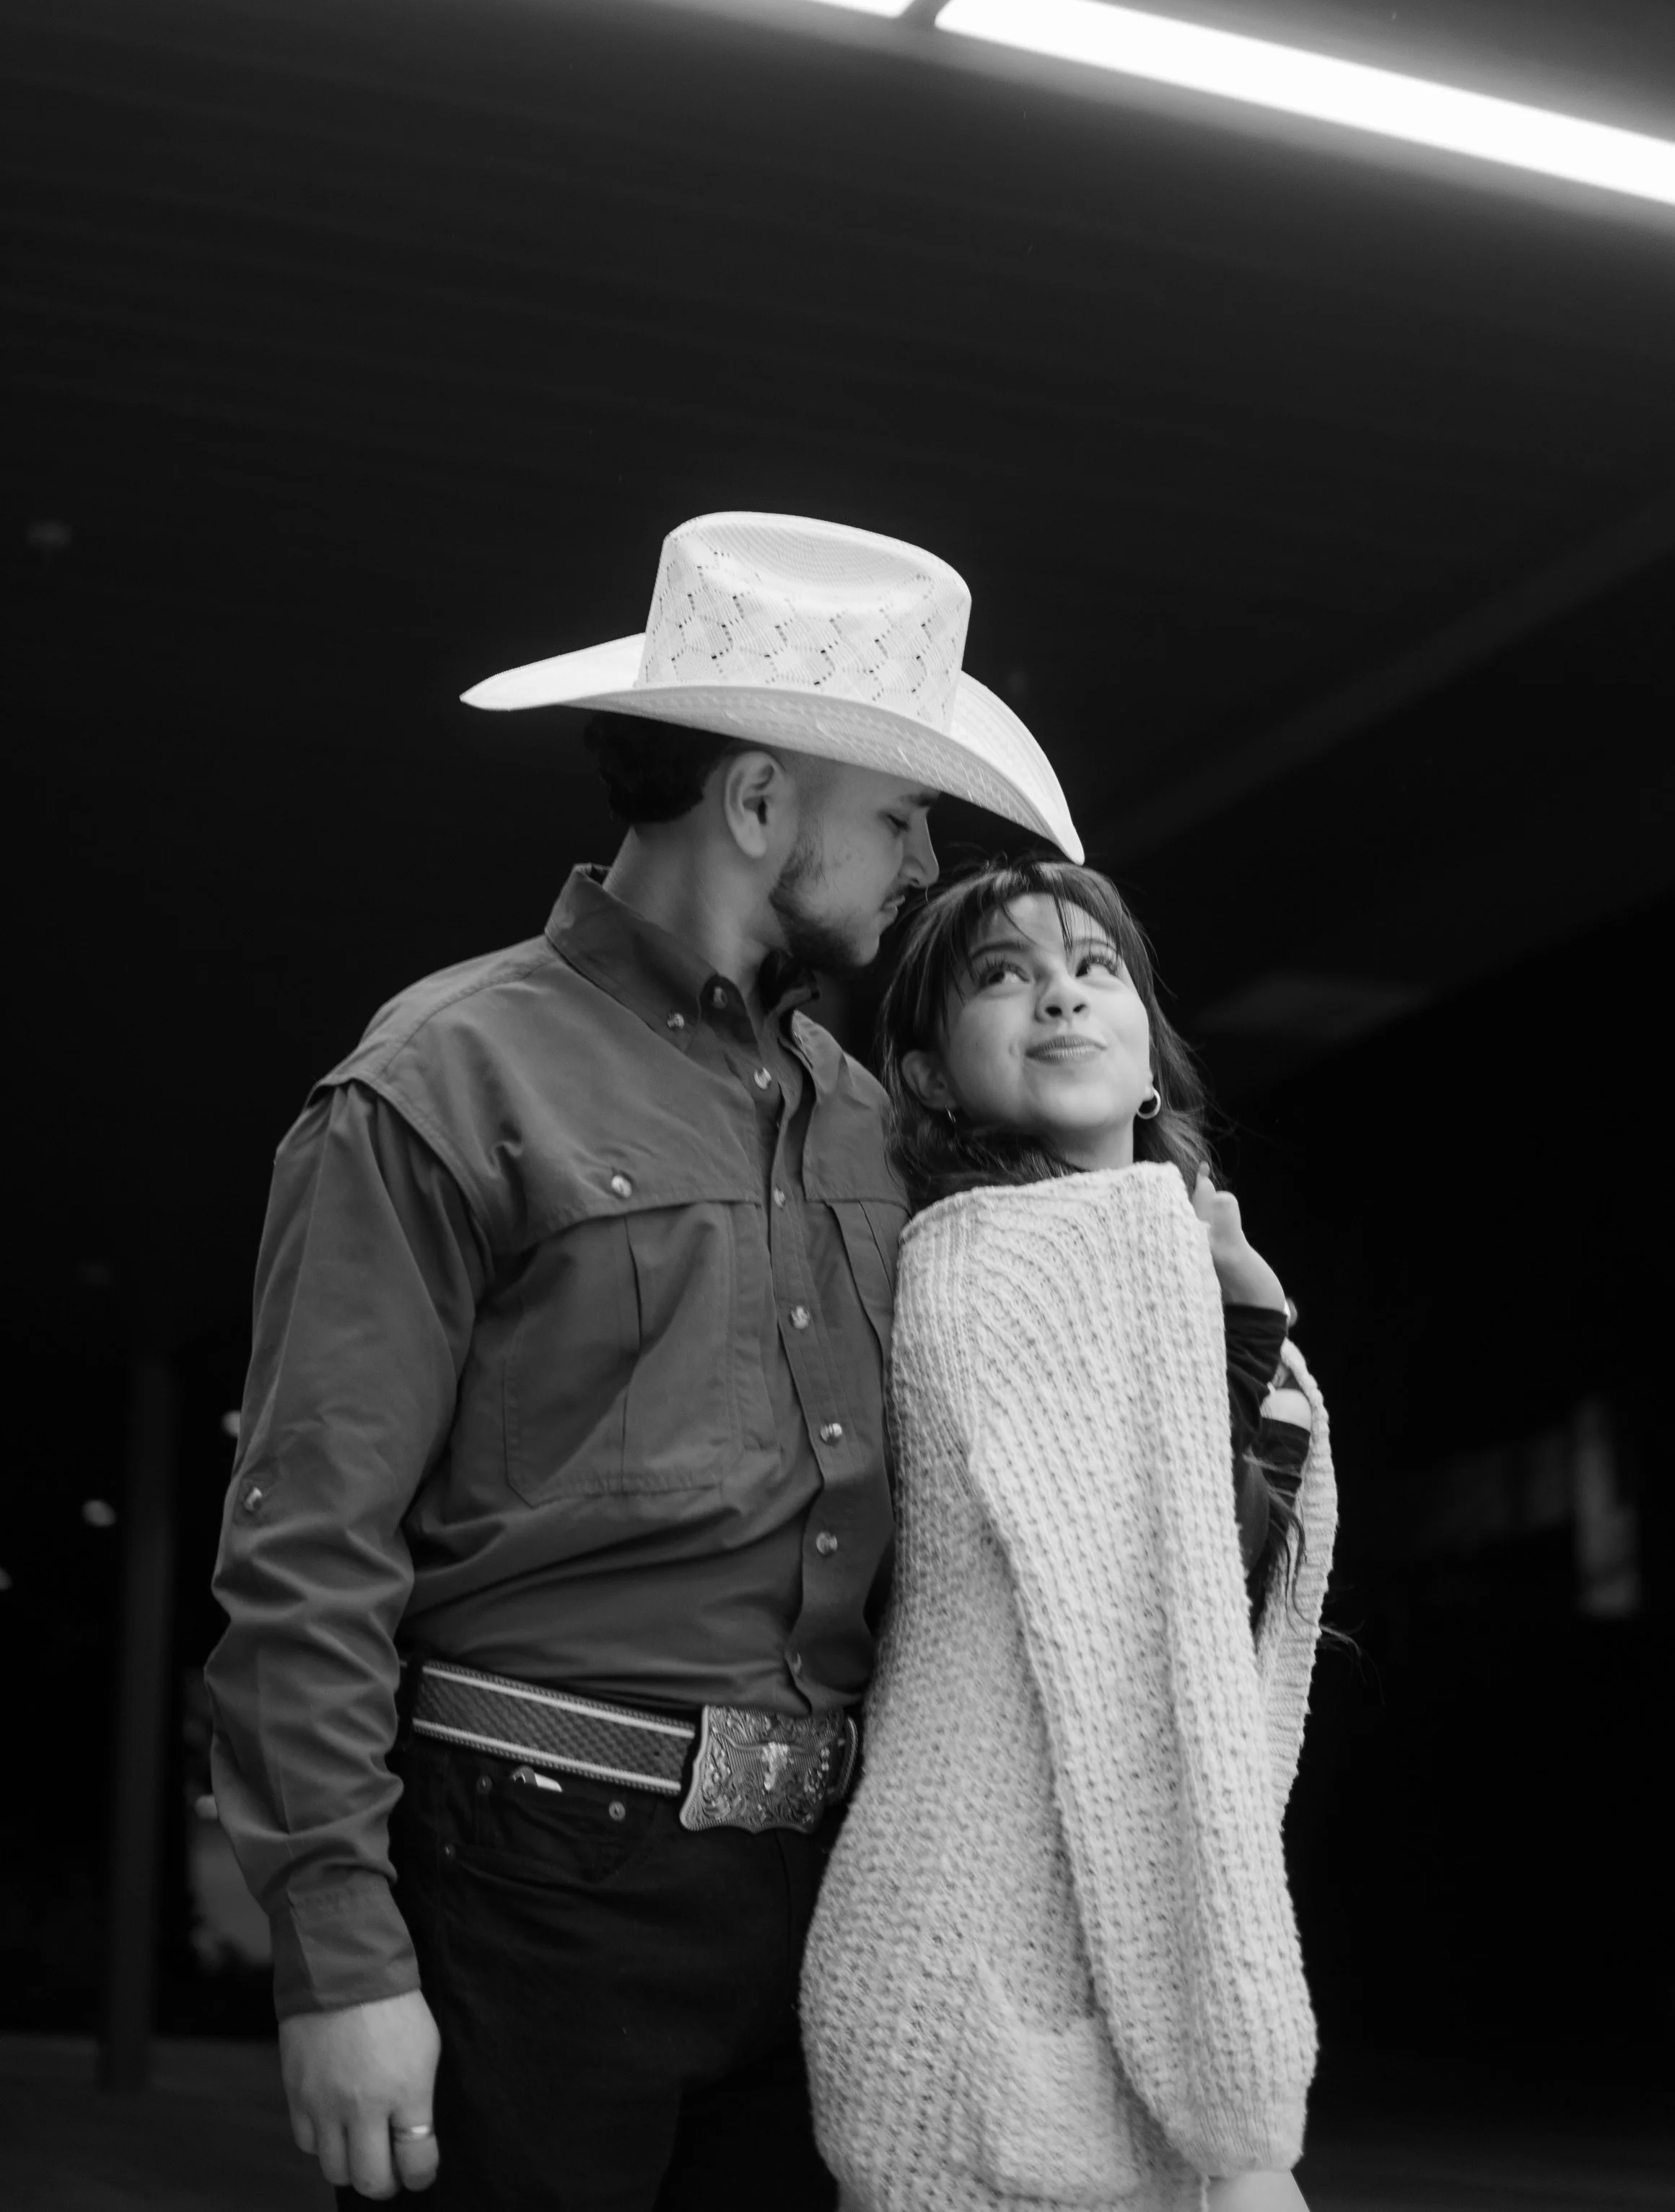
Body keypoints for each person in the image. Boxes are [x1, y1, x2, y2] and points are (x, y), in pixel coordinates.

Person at [206, 513, 1083, 2211]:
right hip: (528, 1878)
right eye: (896, 815)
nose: (917, 865)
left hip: (833, 1899)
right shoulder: (440, 1078)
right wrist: (338, 1962)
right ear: (758, 804)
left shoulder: (866, 1119)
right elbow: (306, 1551)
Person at [801, 856, 1337, 2212]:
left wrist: (1243, 1313)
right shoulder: (998, 1262)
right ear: (925, 1076)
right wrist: (1244, 2101)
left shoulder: (1173, 1263)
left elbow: (1228, 1594)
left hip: (1100, 1979)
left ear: (1148, 1047)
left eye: (1095, 967)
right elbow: (1142, 1675)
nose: (1060, 995)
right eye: (1004, 974)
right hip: (984, 1971)